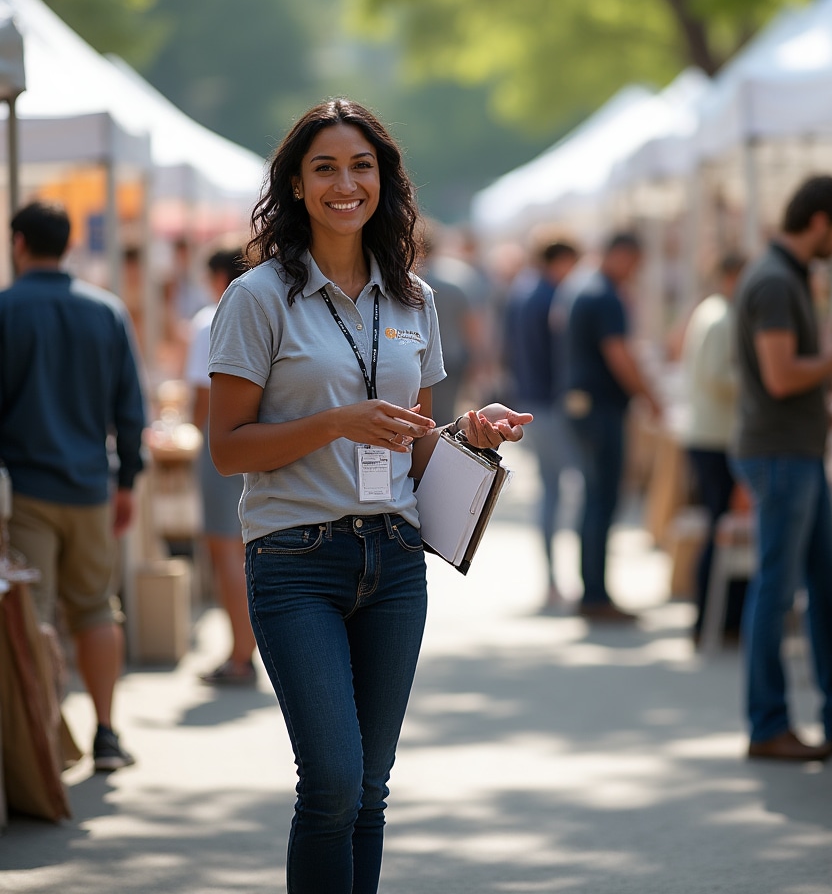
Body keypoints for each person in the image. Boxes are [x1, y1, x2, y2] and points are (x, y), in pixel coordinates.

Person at [206, 97, 531, 894]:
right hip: (296, 562)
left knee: (371, 795)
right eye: (324, 168)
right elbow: (226, 448)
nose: (345, 183)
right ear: (295, 183)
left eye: (361, 166)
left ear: (384, 179)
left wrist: (468, 433)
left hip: (393, 562)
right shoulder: (257, 299)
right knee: (333, 785)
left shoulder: (413, 299)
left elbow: (411, 439)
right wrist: (334, 422)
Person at [731, 175, 832, 761]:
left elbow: (785, 381)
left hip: (794, 449)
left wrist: (829, 412)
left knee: (821, 583)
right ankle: (768, 724)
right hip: (780, 455)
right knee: (779, 588)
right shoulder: (774, 281)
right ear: (819, 220)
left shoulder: (781, 275)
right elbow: (781, 375)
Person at [0, 200, 146, 771]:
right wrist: (128, 480)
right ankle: (107, 732)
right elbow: (129, 408)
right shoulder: (106, 311)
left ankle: (41, 741)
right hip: (91, 485)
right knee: (95, 611)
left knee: (32, 617)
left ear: (18, 244)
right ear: (68, 244)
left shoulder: (5, 310)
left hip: (25, 489)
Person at [556, 231, 662, 623]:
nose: (635, 271)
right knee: (602, 501)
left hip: (585, 407)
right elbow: (619, 354)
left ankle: (594, 592)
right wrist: (649, 396)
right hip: (600, 410)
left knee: (594, 501)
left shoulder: (585, 288)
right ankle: (596, 595)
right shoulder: (603, 294)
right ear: (622, 255)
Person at [183, 245, 258, 685]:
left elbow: (201, 400)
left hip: (223, 442)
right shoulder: (270, 309)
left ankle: (240, 654)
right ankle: (248, 650)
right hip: (264, 443)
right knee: (252, 548)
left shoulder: (211, 319)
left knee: (226, 550)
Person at [503, 233, 580, 608]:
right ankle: (557, 580)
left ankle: (553, 580)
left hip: (530, 397)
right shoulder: (549, 296)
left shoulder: (522, 291)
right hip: (550, 404)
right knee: (563, 493)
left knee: (552, 492)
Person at [681, 252, 746, 646]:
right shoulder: (723, 317)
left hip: (708, 433)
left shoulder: (712, 312)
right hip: (717, 436)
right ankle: (714, 618)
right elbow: (718, 376)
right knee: (721, 532)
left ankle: (712, 618)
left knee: (718, 529)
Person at [417, 219, 487, 425]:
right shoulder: (456, 280)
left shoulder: (402, 281)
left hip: (415, 359)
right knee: (443, 419)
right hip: (451, 359)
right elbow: (471, 324)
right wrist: (479, 360)